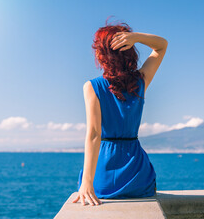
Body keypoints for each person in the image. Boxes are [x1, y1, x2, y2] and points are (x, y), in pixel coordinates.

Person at [72, 18, 168, 206]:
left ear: (101, 56)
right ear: (129, 51)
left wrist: (87, 183)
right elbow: (162, 46)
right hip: (137, 174)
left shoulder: (92, 87)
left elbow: (93, 135)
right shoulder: (141, 81)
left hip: (103, 176)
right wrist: (136, 37)